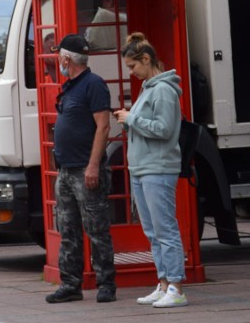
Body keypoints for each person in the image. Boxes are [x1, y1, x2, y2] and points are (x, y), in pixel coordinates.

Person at [113, 32, 188, 308]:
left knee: (165, 229)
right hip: (142, 168)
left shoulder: (164, 90)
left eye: (133, 66)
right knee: (153, 231)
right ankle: (164, 283)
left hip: (158, 168)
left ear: (146, 59)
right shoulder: (148, 88)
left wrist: (131, 118)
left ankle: (177, 286)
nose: (131, 72)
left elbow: (165, 129)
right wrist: (131, 120)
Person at [45, 33, 117, 304]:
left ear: (66, 58)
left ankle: (106, 284)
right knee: (67, 229)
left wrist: (93, 166)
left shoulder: (93, 85)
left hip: (86, 170)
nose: (57, 61)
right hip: (65, 170)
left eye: (59, 56)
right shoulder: (69, 85)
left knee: (97, 229)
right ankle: (70, 284)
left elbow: (104, 127)